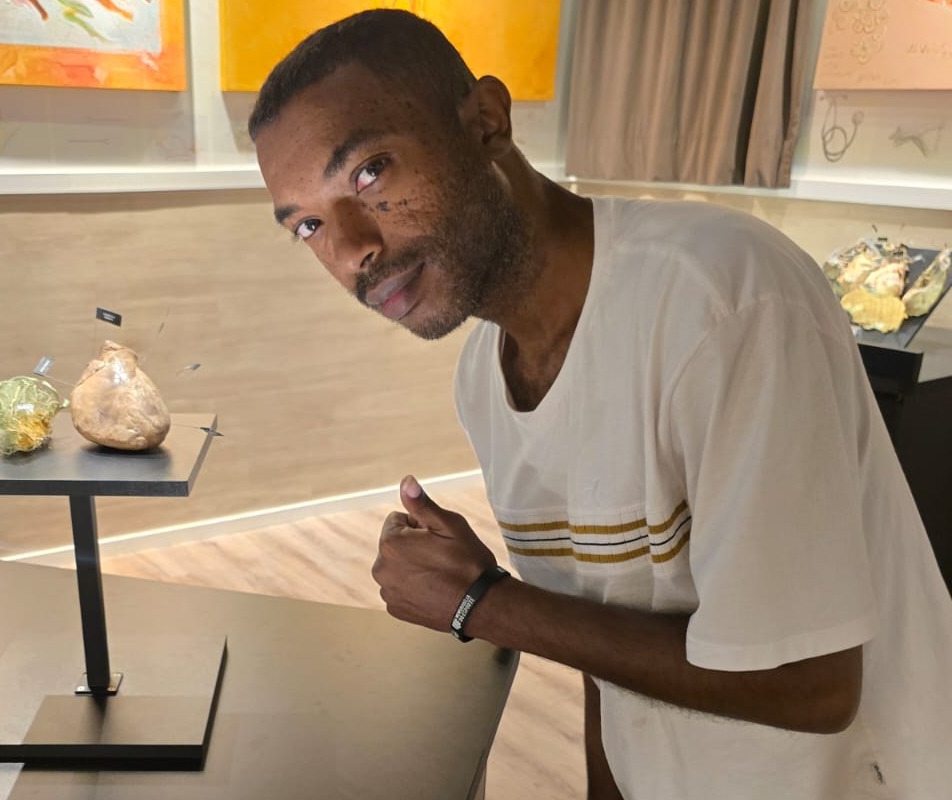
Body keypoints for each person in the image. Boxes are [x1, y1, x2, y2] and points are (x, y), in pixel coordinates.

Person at [249, 10, 952, 799]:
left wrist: (480, 603)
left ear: (487, 122)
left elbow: (813, 685)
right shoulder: (483, 379)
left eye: (369, 173)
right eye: (307, 225)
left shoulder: (722, 300)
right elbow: (599, 640)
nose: (351, 251)